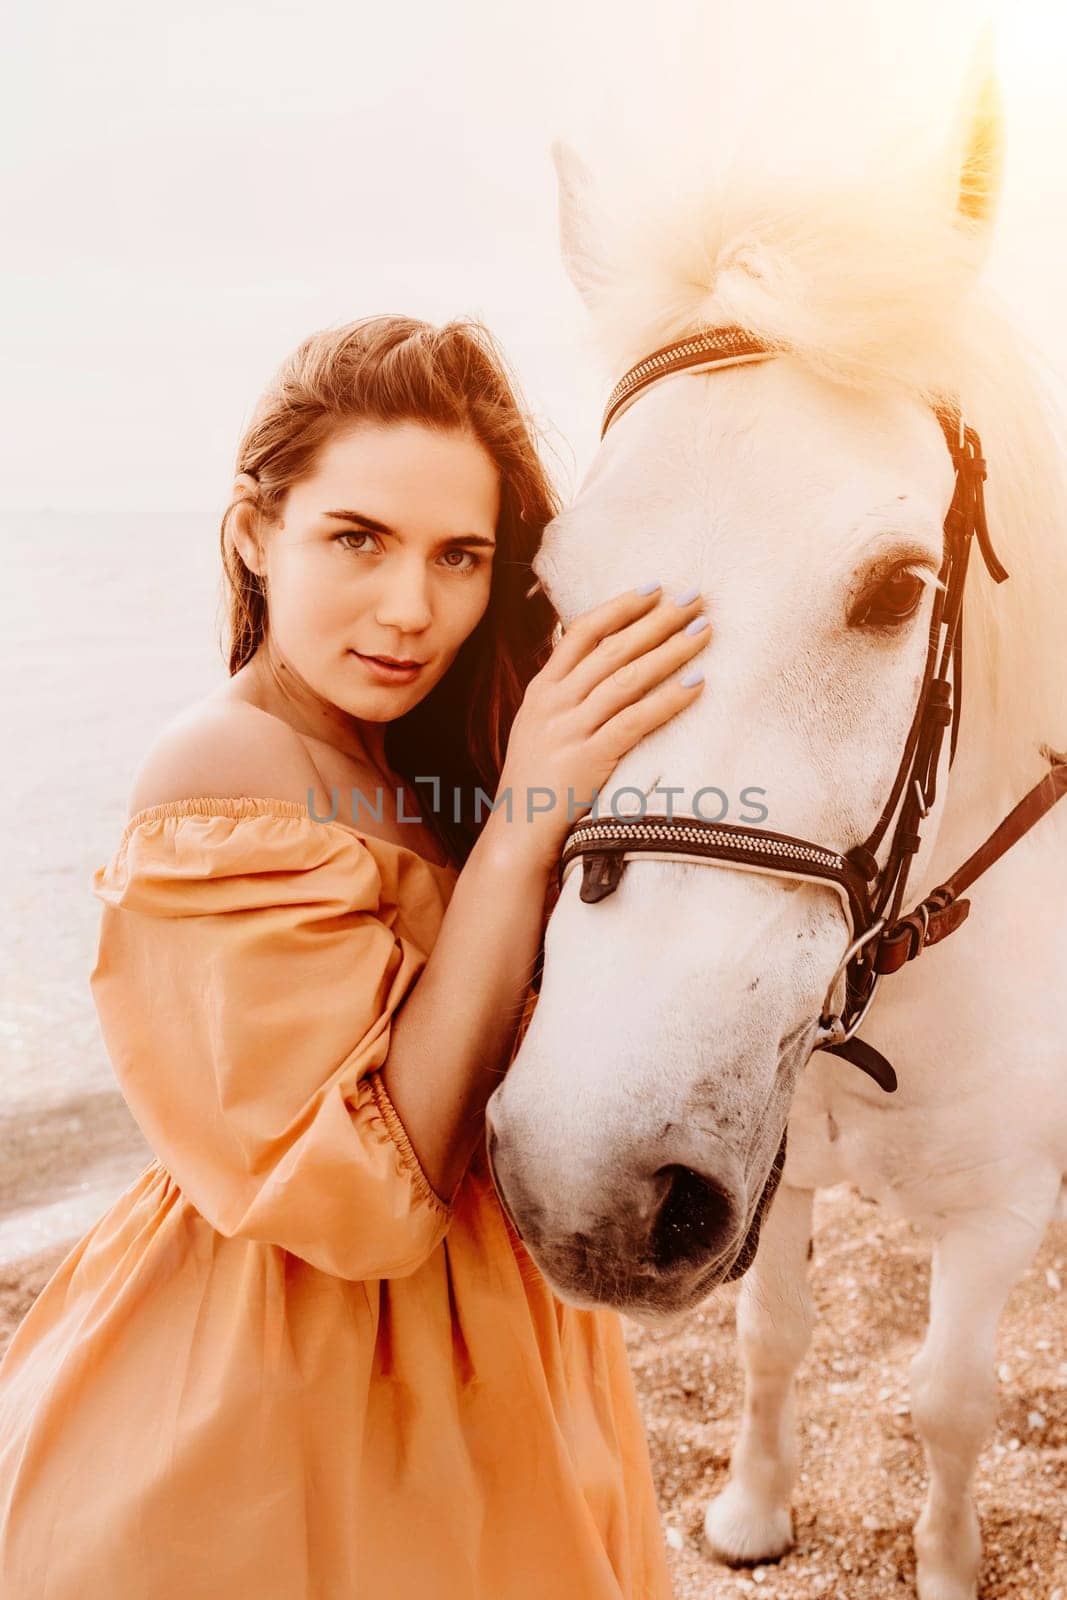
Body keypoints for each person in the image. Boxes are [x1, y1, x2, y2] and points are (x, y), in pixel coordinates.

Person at [0, 314, 711, 1599]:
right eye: (357, 538)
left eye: (460, 556)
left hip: (503, 1344)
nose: (410, 608)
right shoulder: (222, 769)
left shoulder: (420, 756)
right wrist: (520, 830)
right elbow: (374, 1200)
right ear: (252, 534)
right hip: (294, 1369)